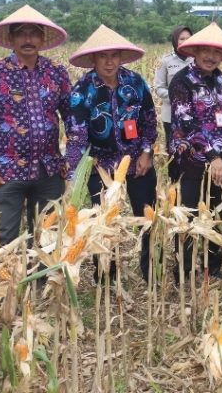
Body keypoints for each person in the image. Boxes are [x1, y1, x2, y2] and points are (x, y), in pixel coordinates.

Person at [0, 5, 71, 246]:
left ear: (42, 39)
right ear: (11, 39)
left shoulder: (56, 72)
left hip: (49, 170)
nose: (28, 39)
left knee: (47, 241)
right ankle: (6, 274)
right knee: (4, 240)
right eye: (21, 33)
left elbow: (72, 119)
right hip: (6, 172)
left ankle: (41, 274)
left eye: (34, 33)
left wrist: (71, 159)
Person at [64, 25, 158, 280]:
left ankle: (151, 271)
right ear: (93, 59)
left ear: (120, 57)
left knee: (147, 216)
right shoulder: (82, 90)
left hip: (137, 162)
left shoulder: (135, 83)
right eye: (103, 56)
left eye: (114, 56)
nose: (109, 62)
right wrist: (75, 176)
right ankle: (106, 275)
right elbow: (77, 136)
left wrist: (146, 152)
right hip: (101, 166)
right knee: (103, 222)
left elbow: (149, 120)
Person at [169, 23, 222, 279]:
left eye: (216, 52)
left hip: (218, 160)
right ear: (195, 51)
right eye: (206, 51)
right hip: (191, 161)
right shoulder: (182, 81)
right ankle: (184, 271)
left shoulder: (219, 78)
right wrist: (212, 157)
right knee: (188, 215)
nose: (211, 56)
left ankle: (213, 266)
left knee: (217, 211)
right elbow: (187, 124)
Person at [154, 25, 193, 181]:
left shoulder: (196, 59)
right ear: (175, 40)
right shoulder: (166, 61)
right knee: (174, 150)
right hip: (171, 116)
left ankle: (190, 182)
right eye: (182, 39)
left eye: (188, 38)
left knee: (192, 150)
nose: (185, 41)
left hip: (193, 116)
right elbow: (159, 87)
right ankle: (174, 184)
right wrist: (177, 99)